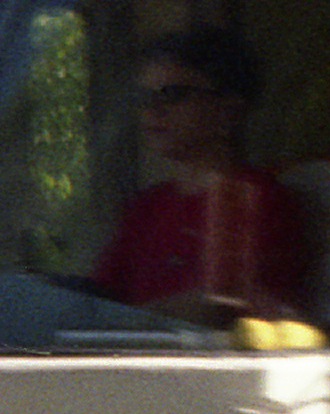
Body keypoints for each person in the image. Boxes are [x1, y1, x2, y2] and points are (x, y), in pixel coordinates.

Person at [94, 27, 316, 324]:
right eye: (144, 97)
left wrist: (126, 321)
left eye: (173, 94)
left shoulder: (250, 197)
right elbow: (99, 294)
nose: (152, 110)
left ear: (228, 110)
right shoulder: (147, 205)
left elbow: (219, 306)